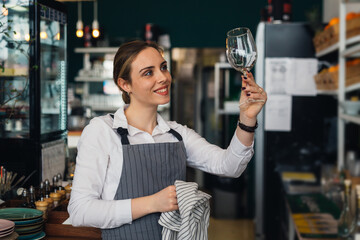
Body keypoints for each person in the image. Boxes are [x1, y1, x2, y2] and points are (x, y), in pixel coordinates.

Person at [68, 40, 267, 239]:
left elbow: (230, 166)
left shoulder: (177, 134)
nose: (163, 77)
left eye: (163, 67)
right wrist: (152, 203)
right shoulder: (102, 131)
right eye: (148, 72)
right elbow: (80, 211)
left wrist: (247, 119)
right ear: (125, 84)